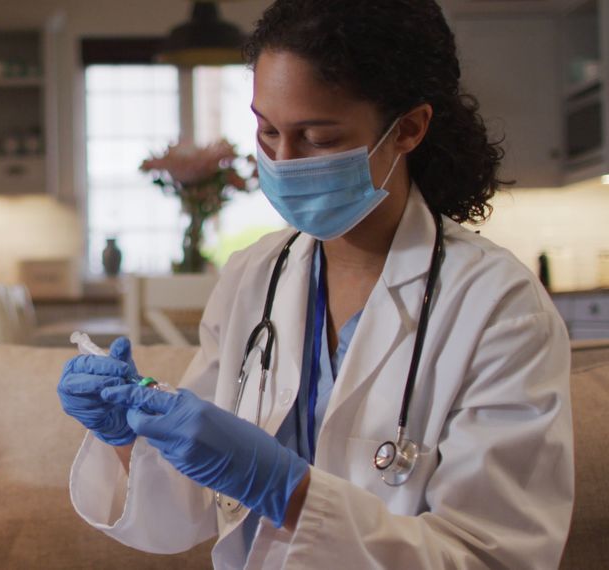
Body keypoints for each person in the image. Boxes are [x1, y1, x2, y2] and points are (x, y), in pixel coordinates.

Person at [58, 1, 573, 568]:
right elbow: (197, 509)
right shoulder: (255, 274)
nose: (282, 161)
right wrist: (131, 437)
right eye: (268, 130)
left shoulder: (499, 307)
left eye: (318, 138)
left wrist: (289, 491)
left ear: (408, 128)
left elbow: (495, 559)